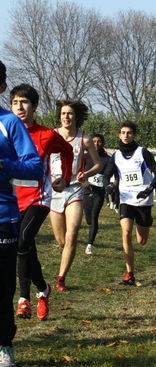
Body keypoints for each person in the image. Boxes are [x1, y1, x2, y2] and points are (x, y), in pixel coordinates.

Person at [10, 84, 74, 321]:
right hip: (12, 199)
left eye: (24, 102)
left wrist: (65, 179)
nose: (19, 107)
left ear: (34, 105)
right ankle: (43, 290)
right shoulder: (5, 131)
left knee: (22, 242)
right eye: (15, 102)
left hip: (39, 198)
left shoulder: (46, 134)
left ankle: (24, 299)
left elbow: (67, 152)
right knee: (26, 247)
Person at [0, 61, 43, 367]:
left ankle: (4, 345)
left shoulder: (9, 123)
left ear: (1, 87)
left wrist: (5, 164)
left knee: (1, 288)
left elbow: (34, 167)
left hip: (3, 217)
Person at [50, 100, 102, 291]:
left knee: (72, 235)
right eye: (63, 113)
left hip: (75, 189)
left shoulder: (84, 139)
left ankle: (61, 278)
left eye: (70, 113)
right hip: (55, 191)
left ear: (76, 117)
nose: (66, 117)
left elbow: (99, 165)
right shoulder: (51, 135)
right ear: (59, 116)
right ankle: (66, 257)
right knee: (62, 241)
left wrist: (86, 174)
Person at [104, 120, 156, 285]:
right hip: (126, 199)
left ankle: (147, 222)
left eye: (129, 133)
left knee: (141, 241)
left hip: (143, 200)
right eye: (123, 133)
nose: (126, 136)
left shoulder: (142, 152)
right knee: (125, 233)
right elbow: (105, 175)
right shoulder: (116, 156)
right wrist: (108, 186)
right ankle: (129, 274)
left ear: (134, 135)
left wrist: (149, 189)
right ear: (119, 135)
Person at [83, 134, 112, 255]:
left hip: (99, 192)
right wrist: (83, 181)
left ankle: (89, 244)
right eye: (94, 141)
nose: (96, 144)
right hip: (86, 190)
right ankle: (90, 230)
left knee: (94, 217)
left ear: (103, 143)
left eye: (99, 141)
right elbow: (79, 171)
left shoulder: (107, 159)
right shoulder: (84, 157)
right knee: (89, 220)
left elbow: (108, 175)